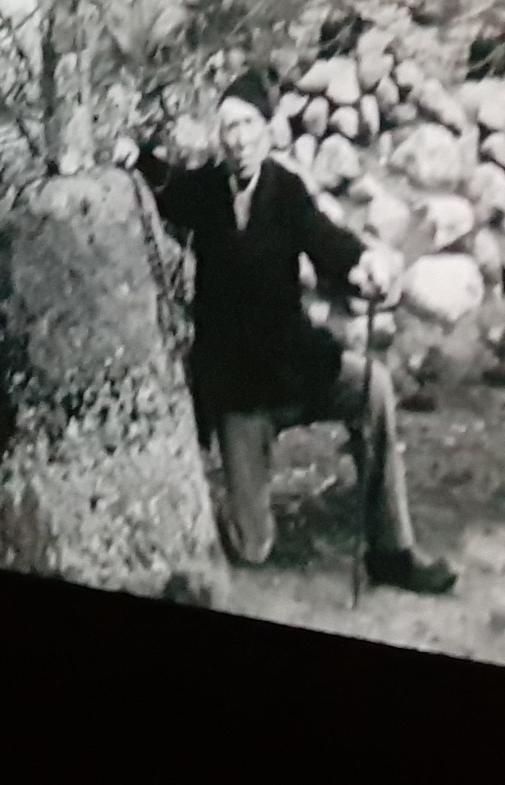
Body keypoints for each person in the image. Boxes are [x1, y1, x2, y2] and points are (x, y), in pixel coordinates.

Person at [111, 67, 458, 594]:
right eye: (229, 129)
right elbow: (168, 187)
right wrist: (136, 156)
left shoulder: (286, 189)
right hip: (239, 392)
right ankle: (230, 519)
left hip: (297, 370)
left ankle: (391, 551)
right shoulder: (206, 190)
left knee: (374, 389)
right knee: (253, 548)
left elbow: (324, 238)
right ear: (220, 139)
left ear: (267, 131)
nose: (239, 140)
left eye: (248, 126)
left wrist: (362, 261)